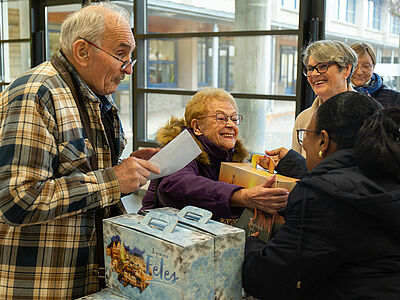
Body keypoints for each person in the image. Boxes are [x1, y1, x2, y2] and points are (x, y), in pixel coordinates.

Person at [0, 3, 160, 299]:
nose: (128, 68)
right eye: (121, 54)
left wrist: (127, 170)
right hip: (44, 283)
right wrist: (113, 179)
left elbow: (84, 178)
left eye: (131, 58)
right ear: (82, 51)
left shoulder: (95, 95)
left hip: (90, 276)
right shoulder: (37, 94)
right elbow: (16, 200)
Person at [242, 91, 400, 299]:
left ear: (323, 141)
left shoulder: (322, 198)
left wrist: (251, 243)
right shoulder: (387, 173)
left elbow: (266, 279)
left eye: (306, 134)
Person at [140, 87, 289, 222]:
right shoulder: (181, 148)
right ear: (197, 127)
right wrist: (240, 196)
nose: (231, 125)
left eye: (234, 119)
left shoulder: (231, 154)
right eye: (221, 118)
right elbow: (175, 186)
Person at [292, 40, 358, 156]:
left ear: (346, 69)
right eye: (310, 69)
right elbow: (296, 169)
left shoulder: (367, 114)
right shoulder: (303, 119)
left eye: (323, 66)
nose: (314, 74)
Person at [350, 42, 400, 108]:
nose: (359, 72)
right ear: (346, 67)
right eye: (354, 66)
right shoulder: (336, 93)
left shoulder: (394, 98)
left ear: (373, 67)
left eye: (366, 66)